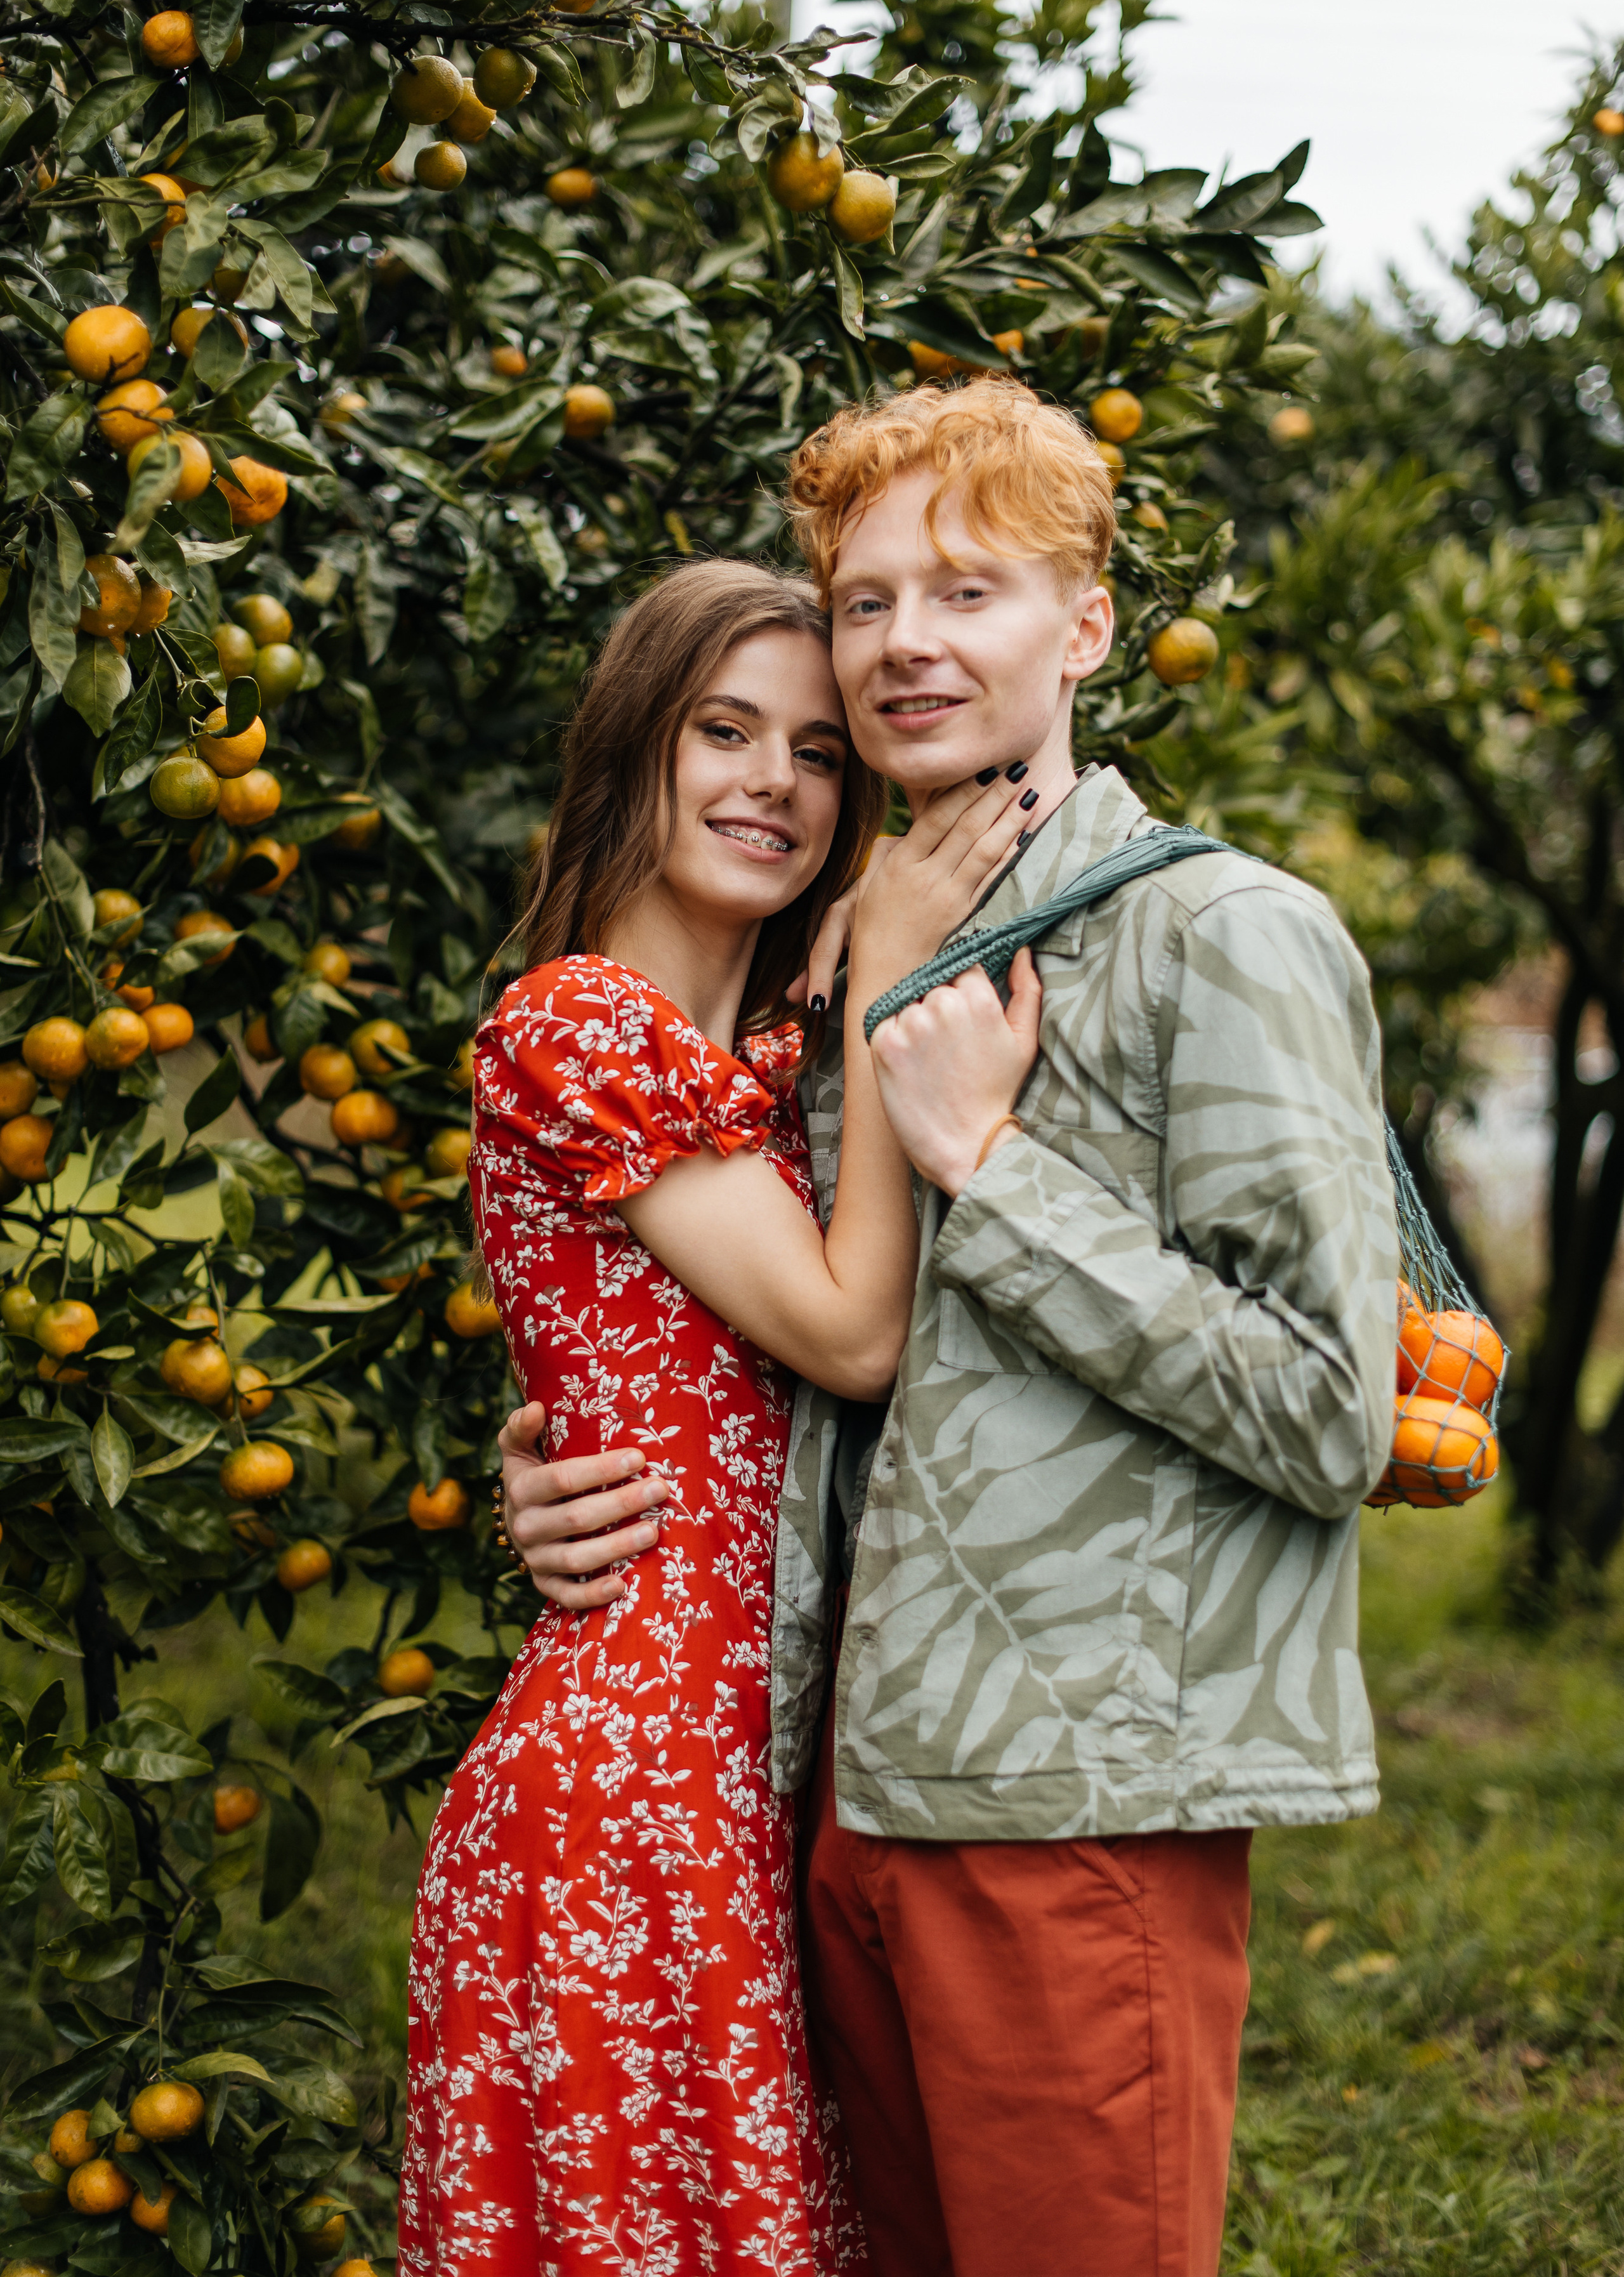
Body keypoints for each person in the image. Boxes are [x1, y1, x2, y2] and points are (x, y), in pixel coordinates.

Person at [498, 379, 1400, 2277]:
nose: (907, 641)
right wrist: (561, 1451)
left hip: (1073, 1801)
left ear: (1086, 628)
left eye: (968, 590)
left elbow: (1332, 1408)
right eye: (868, 600)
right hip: (834, 1799)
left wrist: (990, 1166)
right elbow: (738, 1321)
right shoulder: (852, 954)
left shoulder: (1219, 934)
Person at [397, 558, 1037, 2277]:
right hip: (636, 1791)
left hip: (751, 1769)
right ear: (637, 747)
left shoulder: (746, 1057)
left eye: (820, 753)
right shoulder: (579, 1022)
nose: (776, 782)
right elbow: (851, 1332)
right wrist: (893, 974)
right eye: (725, 732)